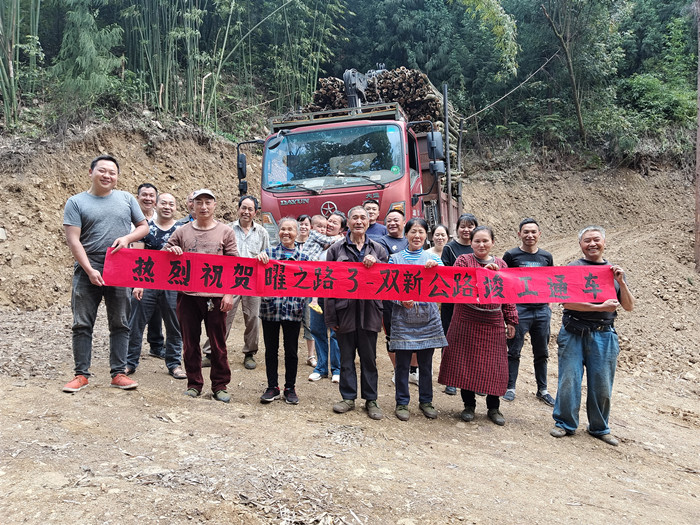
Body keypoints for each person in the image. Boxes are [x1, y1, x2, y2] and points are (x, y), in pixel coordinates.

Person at [62, 155, 148, 393]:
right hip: (86, 268)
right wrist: (89, 270)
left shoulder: (126, 199)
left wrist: (127, 238)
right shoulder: (76, 202)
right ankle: (81, 375)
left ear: (117, 177)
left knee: (120, 322)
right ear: (91, 172)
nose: (107, 176)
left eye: (112, 172)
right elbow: (73, 240)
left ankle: (118, 373)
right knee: (82, 323)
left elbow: (143, 227)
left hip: (119, 268)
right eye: (102, 171)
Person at [550, 226, 634, 446]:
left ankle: (599, 427)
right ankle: (565, 423)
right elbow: (567, 303)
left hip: (604, 335)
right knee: (569, 379)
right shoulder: (573, 268)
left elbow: (628, 306)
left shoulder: (613, 271)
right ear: (580, 244)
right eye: (587, 240)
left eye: (596, 239)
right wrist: (600, 307)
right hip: (573, 332)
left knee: (602, 384)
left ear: (604, 242)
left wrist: (621, 282)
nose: (592, 244)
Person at [438, 226, 518, 426]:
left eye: (485, 241)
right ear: (471, 243)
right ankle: (469, 405)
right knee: (466, 363)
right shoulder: (463, 261)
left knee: (495, 365)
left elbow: (508, 294)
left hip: (493, 321)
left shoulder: (501, 264)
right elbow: (457, 285)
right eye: (477, 241)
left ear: (493, 242)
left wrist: (511, 319)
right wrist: (483, 274)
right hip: (466, 319)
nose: (481, 245)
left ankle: (494, 407)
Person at [164, 189, 238, 403]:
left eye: (208, 202)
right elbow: (163, 256)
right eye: (199, 202)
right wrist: (171, 252)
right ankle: (194, 383)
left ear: (215, 205)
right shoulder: (182, 232)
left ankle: (220, 385)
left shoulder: (225, 232)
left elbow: (234, 265)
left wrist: (228, 294)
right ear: (192, 205)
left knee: (218, 343)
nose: (203, 207)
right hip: (188, 295)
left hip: (216, 297)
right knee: (190, 343)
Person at [326, 206, 388, 420]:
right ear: (348, 222)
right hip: (344, 312)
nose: (359, 221)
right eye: (355, 218)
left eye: (363, 217)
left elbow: (386, 281)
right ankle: (348, 397)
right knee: (346, 358)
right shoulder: (335, 250)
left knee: (369, 359)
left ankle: (371, 400)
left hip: (370, 312)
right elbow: (328, 285)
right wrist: (331, 317)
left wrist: (377, 265)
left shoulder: (379, 250)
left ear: (369, 222)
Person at [201, 195, 269, 370]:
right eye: (243, 208)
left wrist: (264, 256)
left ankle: (249, 353)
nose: (246, 212)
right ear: (238, 209)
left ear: (255, 212)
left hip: (253, 281)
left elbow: (267, 254)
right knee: (223, 316)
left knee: (253, 318)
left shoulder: (262, 232)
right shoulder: (227, 229)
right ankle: (211, 352)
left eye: (250, 209)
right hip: (230, 280)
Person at [389, 218, 447, 421]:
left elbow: (444, 285)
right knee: (402, 365)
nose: (417, 236)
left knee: (426, 364)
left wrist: (437, 269)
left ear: (426, 235)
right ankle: (402, 402)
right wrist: (400, 300)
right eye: (413, 231)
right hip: (402, 318)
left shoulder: (434, 259)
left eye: (421, 232)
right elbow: (388, 287)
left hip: (428, 319)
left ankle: (426, 401)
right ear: (406, 235)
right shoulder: (394, 259)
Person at [126, 192, 185, 379]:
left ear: (176, 208)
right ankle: (129, 362)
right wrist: (137, 284)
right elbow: (138, 257)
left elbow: (190, 258)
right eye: (164, 203)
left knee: (174, 325)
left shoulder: (183, 230)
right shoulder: (145, 228)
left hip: (173, 284)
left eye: (171, 204)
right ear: (156, 205)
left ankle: (174, 364)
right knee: (136, 324)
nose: (167, 207)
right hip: (147, 283)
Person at [256, 218, 310, 405]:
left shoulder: (304, 258)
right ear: (278, 231)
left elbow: (309, 284)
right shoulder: (268, 253)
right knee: (271, 350)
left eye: (290, 229)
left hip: (293, 310)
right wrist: (259, 260)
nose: (286, 233)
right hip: (270, 308)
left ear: (298, 233)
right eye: (283, 229)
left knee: (291, 351)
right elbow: (257, 276)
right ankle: (272, 386)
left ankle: (290, 387)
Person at [502, 218, 555, 406]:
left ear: (539, 234)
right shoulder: (511, 255)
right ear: (519, 234)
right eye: (526, 232)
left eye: (533, 232)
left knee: (542, 352)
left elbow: (551, 281)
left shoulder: (546, 257)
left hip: (541, 311)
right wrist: (508, 311)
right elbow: (504, 281)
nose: (530, 235)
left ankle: (543, 390)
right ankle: (510, 387)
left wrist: (549, 305)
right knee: (513, 350)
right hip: (519, 310)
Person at [377, 209, 419, 384]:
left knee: (414, 334)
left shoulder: (413, 241)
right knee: (392, 336)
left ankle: (414, 371)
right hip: (390, 299)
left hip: (413, 297)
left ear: (404, 223)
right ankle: (398, 370)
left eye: (396, 220)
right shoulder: (380, 242)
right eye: (389, 221)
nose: (392, 223)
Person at [440, 213, 478, 395]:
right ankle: (450, 380)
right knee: (450, 338)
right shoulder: (449, 248)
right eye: (462, 226)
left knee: (472, 341)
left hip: (473, 304)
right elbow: (446, 275)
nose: (466, 230)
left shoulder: (479, 246)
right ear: (457, 229)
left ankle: (472, 379)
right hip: (452, 303)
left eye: (470, 226)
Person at [308, 211, 346, 383]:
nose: (330, 224)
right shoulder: (318, 241)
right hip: (316, 292)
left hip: (336, 294)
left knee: (336, 332)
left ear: (342, 229)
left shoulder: (343, 244)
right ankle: (321, 367)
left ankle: (337, 369)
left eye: (335, 223)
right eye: (329, 221)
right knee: (317, 329)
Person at [134, 182, 164, 359]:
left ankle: (156, 344)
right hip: (135, 268)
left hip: (157, 272)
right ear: (138, 197)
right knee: (135, 308)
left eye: (151, 195)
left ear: (156, 200)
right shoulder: (131, 218)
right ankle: (131, 349)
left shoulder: (160, 218)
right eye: (144, 195)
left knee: (156, 309)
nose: (148, 198)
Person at [295, 214, 317, 368]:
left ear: (311, 227)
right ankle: (292, 353)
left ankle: (311, 355)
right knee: (292, 322)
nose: (303, 227)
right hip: (292, 288)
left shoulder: (316, 244)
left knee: (309, 323)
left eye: (305, 224)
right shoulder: (291, 243)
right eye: (300, 224)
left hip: (310, 288)